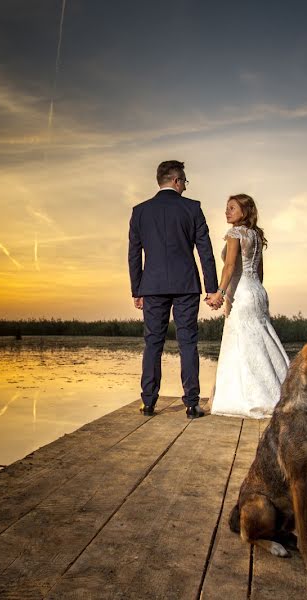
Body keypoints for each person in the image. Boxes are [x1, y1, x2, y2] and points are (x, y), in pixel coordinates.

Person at [128, 160, 220, 418]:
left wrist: (137, 289)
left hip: (153, 285)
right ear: (177, 181)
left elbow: (134, 254)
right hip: (186, 284)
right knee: (188, 342)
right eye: (184, 182)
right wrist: (211, 287)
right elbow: (205, 251)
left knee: (153, 343)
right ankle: (192, 404)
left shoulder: (140, 211)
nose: (185, 187)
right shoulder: (192, 208)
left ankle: (148, 402)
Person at [208, 194, 289, 418]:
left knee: (242, 344)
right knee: (261, 340)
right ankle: (281, 391)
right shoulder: (255, 235)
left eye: (232, 208)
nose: (227, 212)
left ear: (244, 211)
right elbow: (259, 272)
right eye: (226, 208)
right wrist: (254, 293)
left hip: (241, 293)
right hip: (257, 292)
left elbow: (230, 266)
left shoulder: (235, 233)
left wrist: (220, 293)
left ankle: (253, 397)